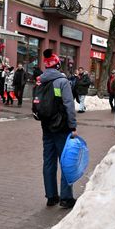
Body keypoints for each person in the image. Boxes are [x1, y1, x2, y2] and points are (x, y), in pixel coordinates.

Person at [39, 49, 78, 208]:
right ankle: (66, 197)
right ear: (58, 65)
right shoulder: (62, 82)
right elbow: (69, 105)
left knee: (48, 161)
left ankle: (51, 196)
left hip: (46, 125)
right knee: (66, 161)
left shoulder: (41, 80)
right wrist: (73, 125)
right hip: (61, 127)